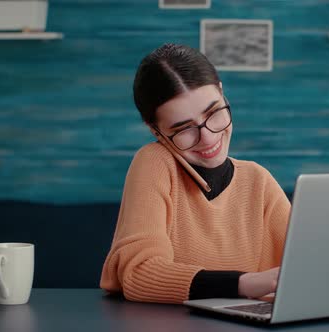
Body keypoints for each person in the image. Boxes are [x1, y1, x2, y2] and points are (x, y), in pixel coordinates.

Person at [100, 44, 291, 304]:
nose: (208, 137)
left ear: (222, 93)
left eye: (214, 112)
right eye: (184, 129)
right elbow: (139, 273)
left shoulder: (258, 180)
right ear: (156, 131)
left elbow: (308, 263)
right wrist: (244, 283)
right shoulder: (154, 163)